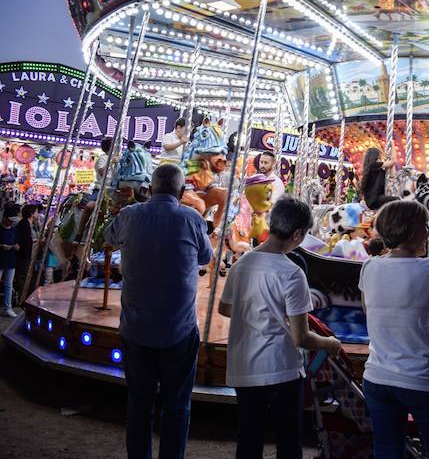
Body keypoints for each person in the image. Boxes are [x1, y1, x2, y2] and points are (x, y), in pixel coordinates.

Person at [218, 196, 342, 459]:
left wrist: (257, 310)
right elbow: (300, 337)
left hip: (244, 364)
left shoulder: (241, 264)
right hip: (281, 368)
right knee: (288, 438)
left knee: (249, 436)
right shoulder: (292, 272)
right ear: (297, 234)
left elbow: (225, 308)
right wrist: (329, 343)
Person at [104, 163, 212, 459]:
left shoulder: (130, 215)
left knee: (139, 404)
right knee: (177, 405)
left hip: (137, 328)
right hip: (179, 329)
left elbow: (107, 237)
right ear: (182, 192)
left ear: (149, 190)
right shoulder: (191, 218)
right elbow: (205, 256)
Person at [360, 200, 429, 458]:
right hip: (422, 375)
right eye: (425, 227)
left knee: (387, 450)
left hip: (378, 375)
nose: (428, 233)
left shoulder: (369, 267)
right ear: (412, 231)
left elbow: (369, 309)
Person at [13, 204, 38, 300]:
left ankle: (25, 297)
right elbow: (24, 240)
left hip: (29, 254)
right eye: (36, 211)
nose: (37, 214)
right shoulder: (24, 224)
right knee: (22, 276)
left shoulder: (31, 224)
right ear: (31, 213)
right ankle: (20, 298)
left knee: (27, 276)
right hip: (24, 255)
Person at [0, 204, 21, 317]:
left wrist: (16, 246)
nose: (11, 222)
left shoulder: (14, 230)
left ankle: (8, 307)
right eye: (9, 220)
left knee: (9, 285)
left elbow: (17, 243)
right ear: (4, 218)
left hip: (11, 260)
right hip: (1, 259)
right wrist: (2, 246)